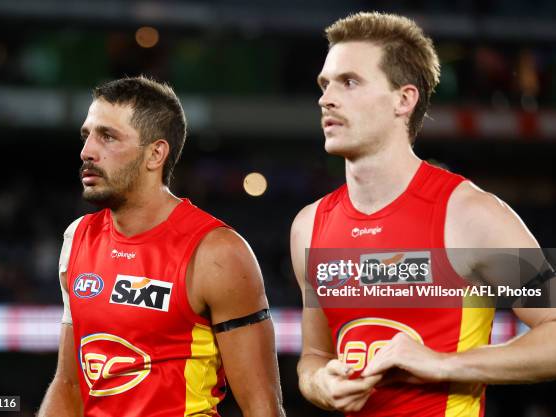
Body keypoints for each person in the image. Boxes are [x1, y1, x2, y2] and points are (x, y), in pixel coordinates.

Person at [290, 12, 556, 416]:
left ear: (404, 99)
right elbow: (313, 354)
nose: (326, 98)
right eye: (325, 84)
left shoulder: (470, 215)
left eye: (349, 82)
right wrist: (318, 382)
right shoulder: (310, 226)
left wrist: (443, 363)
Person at [38, 76, 285, 417]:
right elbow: (68, 385)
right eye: (87, 136)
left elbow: (262, 407)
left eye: (107, 136)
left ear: (156, 153)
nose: (87, 152)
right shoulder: (77, 237)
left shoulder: (218, 252)